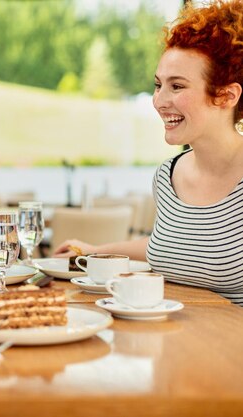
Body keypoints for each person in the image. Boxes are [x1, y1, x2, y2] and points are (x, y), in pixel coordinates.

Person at [54, 0, 243, 305]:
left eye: (177, 87)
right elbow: (169, 245)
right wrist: (93, 250)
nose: (159, 101)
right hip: (174, 341)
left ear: (226, 96)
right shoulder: (167, 176)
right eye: (158, 85)